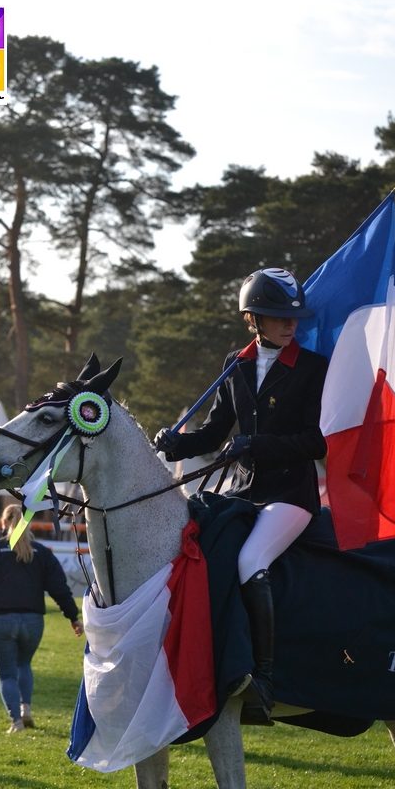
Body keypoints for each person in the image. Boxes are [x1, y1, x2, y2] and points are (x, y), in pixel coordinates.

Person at [154, 267, 328, 724]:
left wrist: (257, 445)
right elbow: (214, 433)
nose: (290, 325)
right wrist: (178, 443)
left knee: (251, 561)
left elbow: (317, 442)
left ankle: (264, 680)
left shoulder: (313, 368)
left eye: (293, 317)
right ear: (253, 319)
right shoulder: (236, 363)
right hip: (243, 491)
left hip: (290, 494)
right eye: (278, 317)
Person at [0, 504, 83, 734]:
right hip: (33, 621)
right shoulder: (41, 553)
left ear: (3, 523)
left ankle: (16, 722)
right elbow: (59, 588)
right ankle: (26, 708)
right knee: (24, 665)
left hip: (1, 621)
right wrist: (72, 617)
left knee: (7, 674)